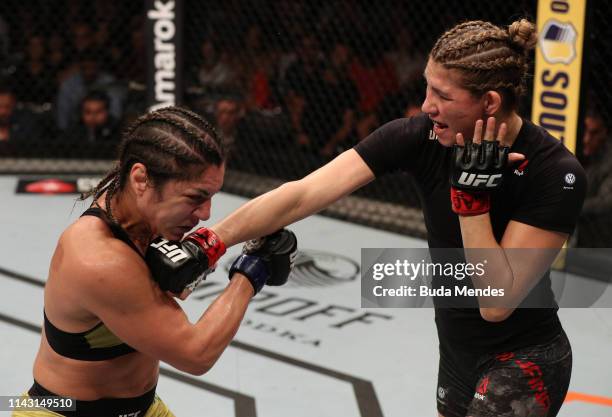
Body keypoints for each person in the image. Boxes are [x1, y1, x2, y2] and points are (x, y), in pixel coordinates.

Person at [208, 19, 586, 417]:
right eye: (427, 87)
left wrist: (471, 197)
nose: (426, 105)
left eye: (442, 95)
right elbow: (302, 193)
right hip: (456, 356)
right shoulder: (418, 137)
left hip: (525, 360)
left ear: (489, 103)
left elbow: (496, 303)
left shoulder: (554, 173)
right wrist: (210, 241)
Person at [13, 106, 297, 417]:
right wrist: (252, 270)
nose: (206, 213)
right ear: (141, 180)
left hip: (144, 408)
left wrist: (362, 159)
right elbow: (196, 353)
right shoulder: (100, 258)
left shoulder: (144, 213)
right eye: (195, 198)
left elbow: (299, 196)